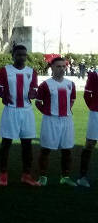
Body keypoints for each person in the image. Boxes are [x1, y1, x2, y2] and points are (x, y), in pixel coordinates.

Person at [0, 45, 41, 187]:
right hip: (11, 110)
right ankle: (3, 174)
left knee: (27, 145)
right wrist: (4, 96)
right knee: (6, 143)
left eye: (24, 55)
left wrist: (33, 94)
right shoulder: (4, 71)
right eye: (19, 54)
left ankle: (26, 175)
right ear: (13, 56)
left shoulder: (32, 72)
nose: (22, 57)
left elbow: (34, 90)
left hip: (26, 111)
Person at [35, 56, 77, 186]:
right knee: (46, 149)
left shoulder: (70, 84)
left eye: (64, 66)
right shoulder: (45, 84)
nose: (62, 69)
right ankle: (43, 176)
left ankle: (65, 176)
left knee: (67, 150)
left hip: (67, 120)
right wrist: (48, 113)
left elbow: (72, 100)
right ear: (52, 68)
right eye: (58, 66)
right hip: (51, 120)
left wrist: (65, 110)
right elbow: (38, 102)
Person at [79, 67, 98, 187]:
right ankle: (82, 177)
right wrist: (94, 107)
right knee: (90, 144)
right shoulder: (95, 74)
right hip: (96, 114)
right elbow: (87, 95)